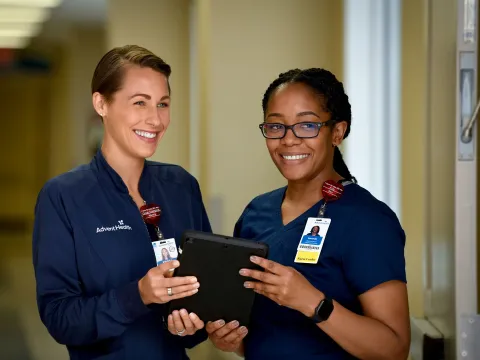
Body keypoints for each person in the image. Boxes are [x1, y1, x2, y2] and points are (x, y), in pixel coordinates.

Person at [206, 68, 410, 359]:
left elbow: (394, 349)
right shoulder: (256, 214)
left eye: (307, 126)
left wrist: (313, 302)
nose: (288, 140)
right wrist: (230, 339)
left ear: (337, 132)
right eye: (276, 127)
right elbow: (262, 337)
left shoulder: (368, 220)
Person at [32, 45, 211, 360]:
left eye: (163, 103)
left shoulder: (182, 186)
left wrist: (193, 326)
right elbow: (60, 318)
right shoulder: (62, 196)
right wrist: (138, 295)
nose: (155, 119)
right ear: (101, 103)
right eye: (139, 102)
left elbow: (202, 298)